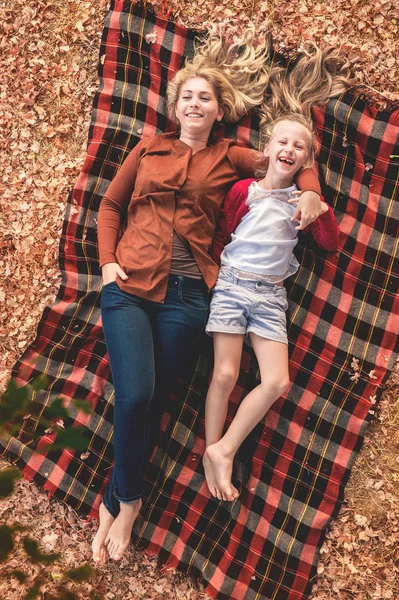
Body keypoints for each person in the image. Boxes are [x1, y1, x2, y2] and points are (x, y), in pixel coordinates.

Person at [91, 30, 327, 563]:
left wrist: (310, 187)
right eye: (186, 97)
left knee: (157, 402)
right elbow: (109, 205)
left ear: (219, 111)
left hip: (189, 297)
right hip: (128, 287)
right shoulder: (148, 147)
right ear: (175, 108)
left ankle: (112, 497)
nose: (194, 104)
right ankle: (127, 501)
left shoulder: (229, 156)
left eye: (205, 98)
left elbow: (282, 160)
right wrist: (107, 263)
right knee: (133, 396)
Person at [203, 113, 341, 502]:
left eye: (298, 147)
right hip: (232, 284)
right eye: (283, 142)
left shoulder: (302, 202)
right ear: (268, 148)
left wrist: (321, 208)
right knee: (225, 374)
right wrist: (214, 276)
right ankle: (212, 453)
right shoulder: (244, 190)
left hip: (270, 296)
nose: (289, 150)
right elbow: (223, 233)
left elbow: (329, 243)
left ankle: (224, 448)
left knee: (277, 381)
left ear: (305, 162)